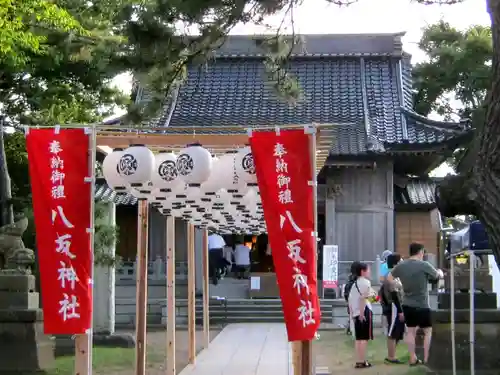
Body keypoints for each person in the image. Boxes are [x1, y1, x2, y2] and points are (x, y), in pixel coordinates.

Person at [387, 243, 444, 366]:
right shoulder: (424, 265)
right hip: (423, 304)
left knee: (410, 332)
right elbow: (436, 276)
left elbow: (389, 278)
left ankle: (412, 358)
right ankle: (426, 358)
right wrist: (440, 272)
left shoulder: (401, 266)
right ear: (421, 252)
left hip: (407, 304)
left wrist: (399, 286)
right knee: (427, 331)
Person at [348, 262, 374, 369]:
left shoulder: (354, 285)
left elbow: (350, 301)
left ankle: (359, 360)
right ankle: (363, 361)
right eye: (368, 270)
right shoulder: (366, 283)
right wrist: (362, 313)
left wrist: (353, 314)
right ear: (362, 271)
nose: (369, 272)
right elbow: (363, 298)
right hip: (364, 312)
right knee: (364, 338)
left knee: (358, 338)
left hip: (355, 313)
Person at [380, 253, 405, 364]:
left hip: (395, 306)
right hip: (394, 306)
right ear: (397, 262)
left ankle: (392, 354)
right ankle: (391, 356)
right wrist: (400, 311)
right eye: (401, 260)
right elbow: (394, 295)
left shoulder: (392, 274)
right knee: (393, 331)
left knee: (398, 332)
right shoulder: (391, 276)